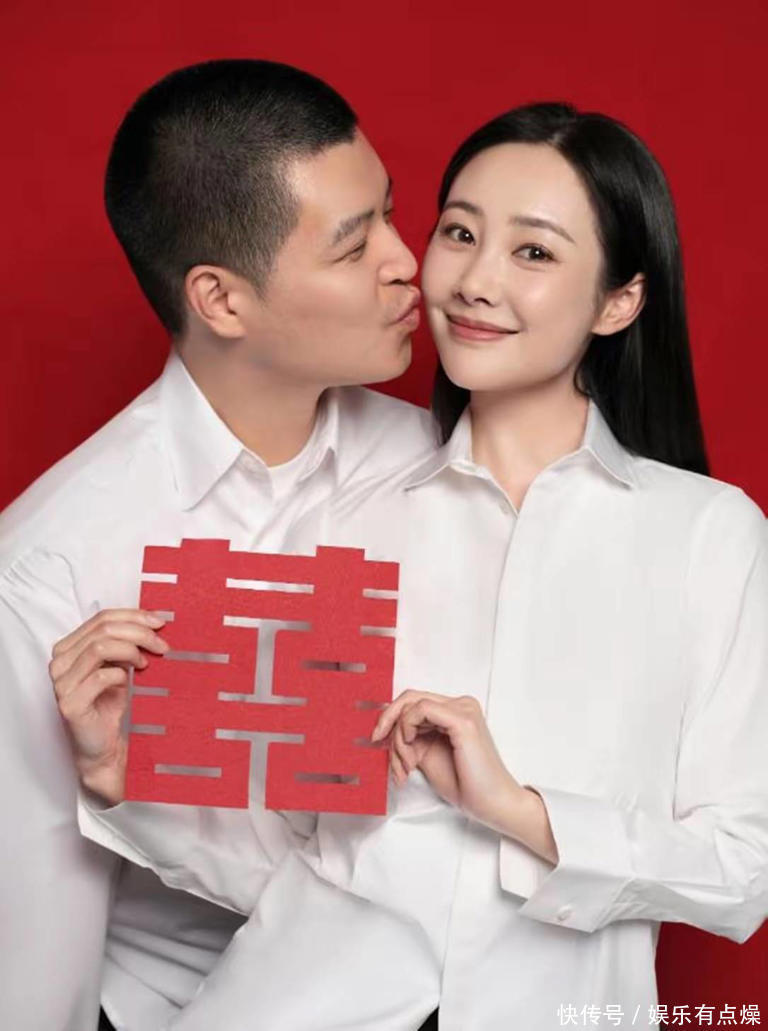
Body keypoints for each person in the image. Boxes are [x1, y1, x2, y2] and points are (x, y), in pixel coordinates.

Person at [60, 101, 768, 1029]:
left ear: (619, 300)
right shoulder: (336, 514)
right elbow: (283, 856)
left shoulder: (709, 533)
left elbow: (741, 867)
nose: (475, 281)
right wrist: (122, 774)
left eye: (534, 252)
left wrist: (520, 810)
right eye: (460, 233)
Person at [0, 58, 439, 1031]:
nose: (407, 261)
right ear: (222, 299)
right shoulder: (52, 565)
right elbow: (36, 955)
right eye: (353, 246)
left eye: (391, 215)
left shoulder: (442, 469)